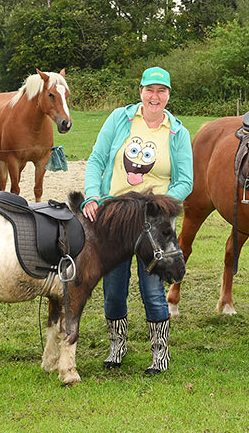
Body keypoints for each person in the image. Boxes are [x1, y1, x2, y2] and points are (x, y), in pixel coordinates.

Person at [82, 66, 193, 374]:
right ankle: (117, 346)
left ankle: (160, 354)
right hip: (115, 220)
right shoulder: (120, 119)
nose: (154, 97)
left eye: (161, 91)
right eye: (149, 90)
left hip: (154, 223)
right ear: (140, 91)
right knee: (113, 289)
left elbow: (186, 181)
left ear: (168, 95)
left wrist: (158, 206)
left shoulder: (177, 133)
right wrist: (92, 196)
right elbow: (97, 160)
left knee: (153, 291)